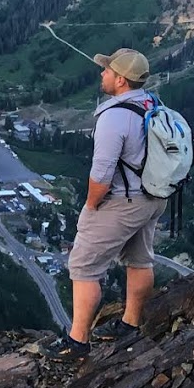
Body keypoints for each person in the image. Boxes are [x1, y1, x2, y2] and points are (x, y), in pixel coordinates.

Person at [46, 47, 167, 360]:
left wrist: (90, 206)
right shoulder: (151, 102)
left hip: (123, 201)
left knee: (83, 266)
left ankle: (77, 342)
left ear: (121, 80)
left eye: (108, 70)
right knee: (141, 259)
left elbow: (101, 174)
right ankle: (131, 324)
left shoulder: (114, 117)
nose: (102, 74)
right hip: (154, 197)